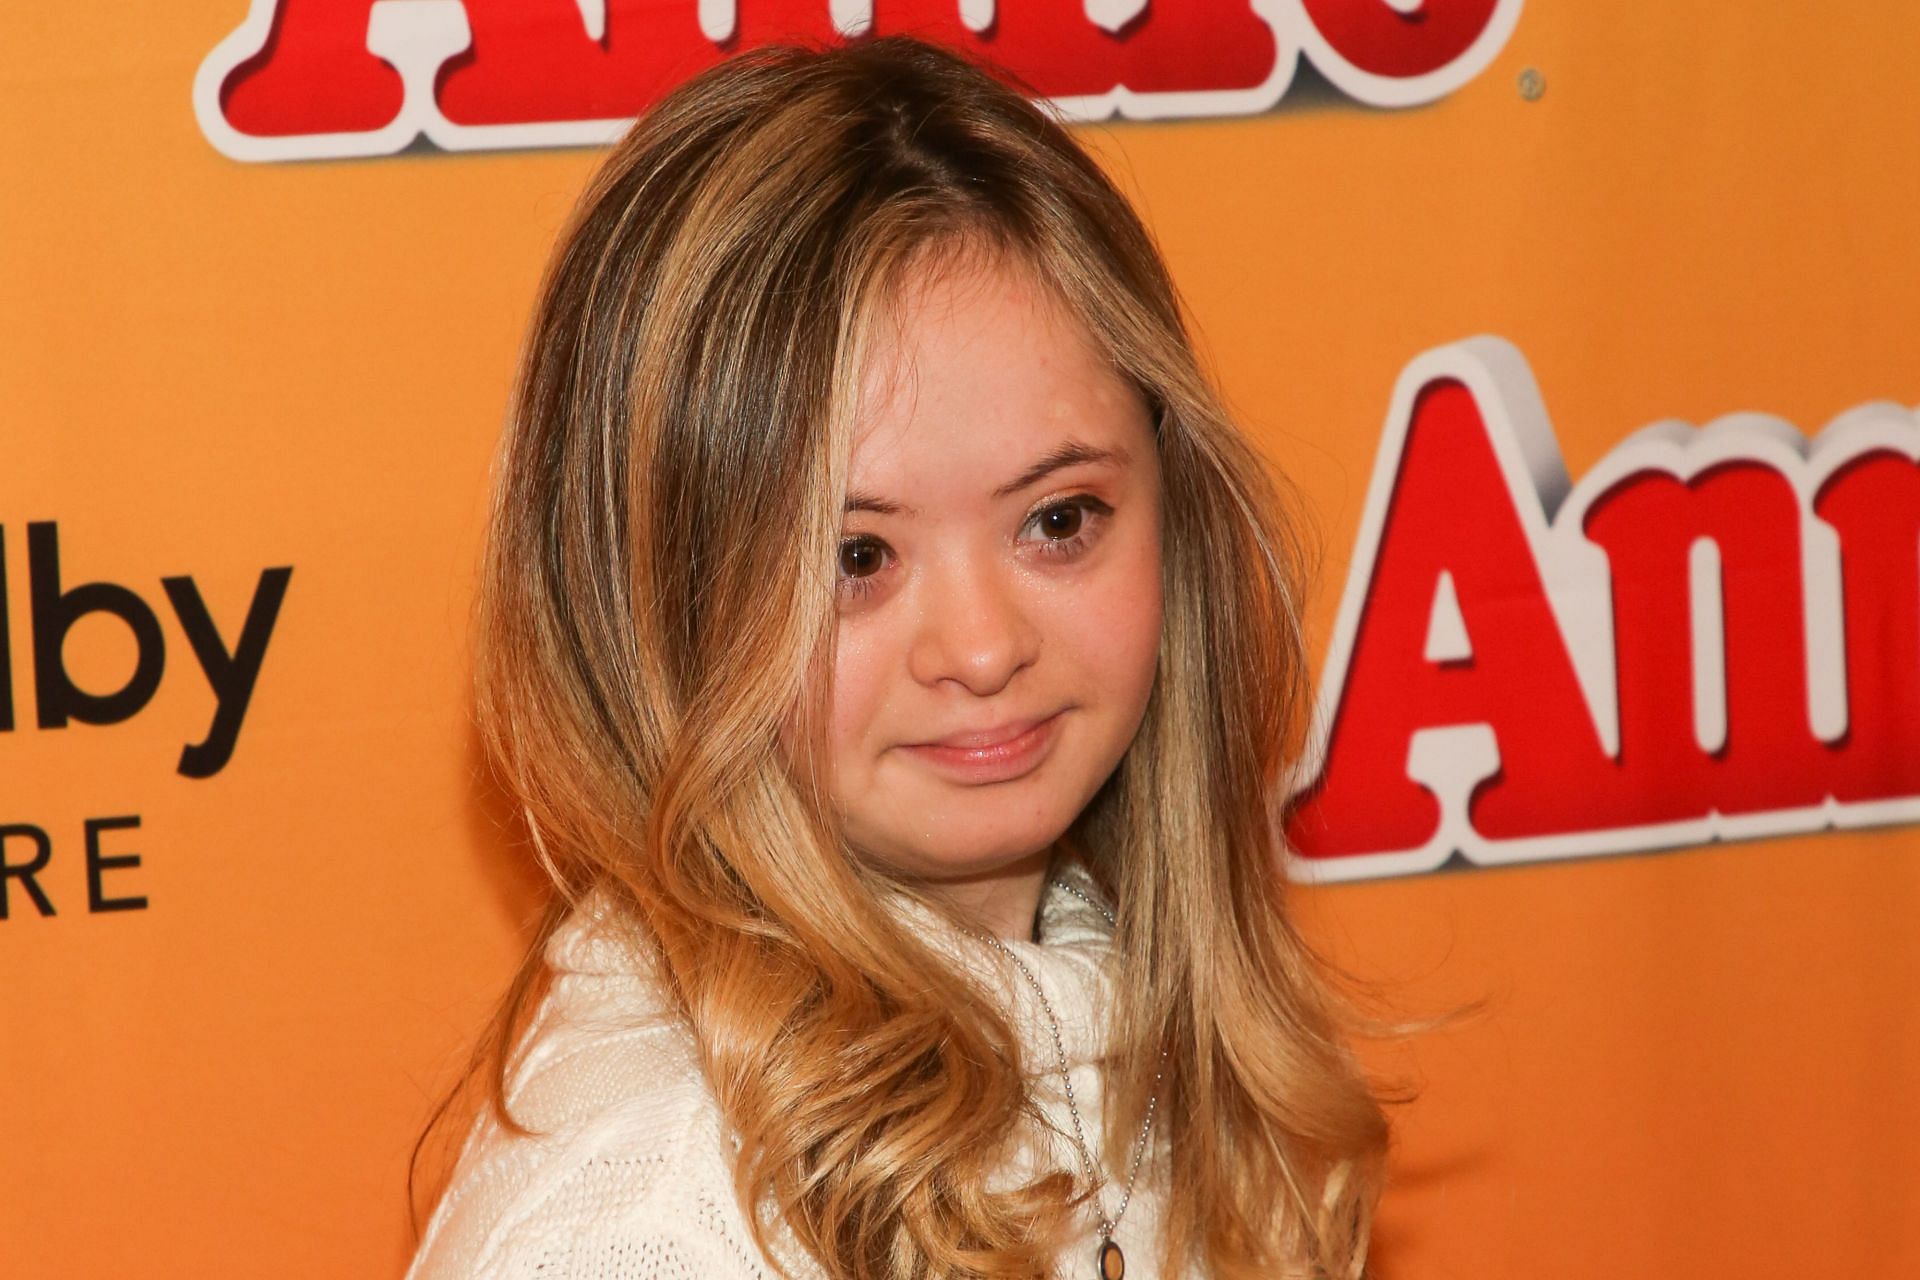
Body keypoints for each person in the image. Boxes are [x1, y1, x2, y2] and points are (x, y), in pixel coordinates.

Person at [407, 33, 1390, 1280]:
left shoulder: (1145, 1028)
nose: (984, 647)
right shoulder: (644, 1225)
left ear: (1173, 507)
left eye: (1058, 520)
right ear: (649, 605)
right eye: (854, 559)